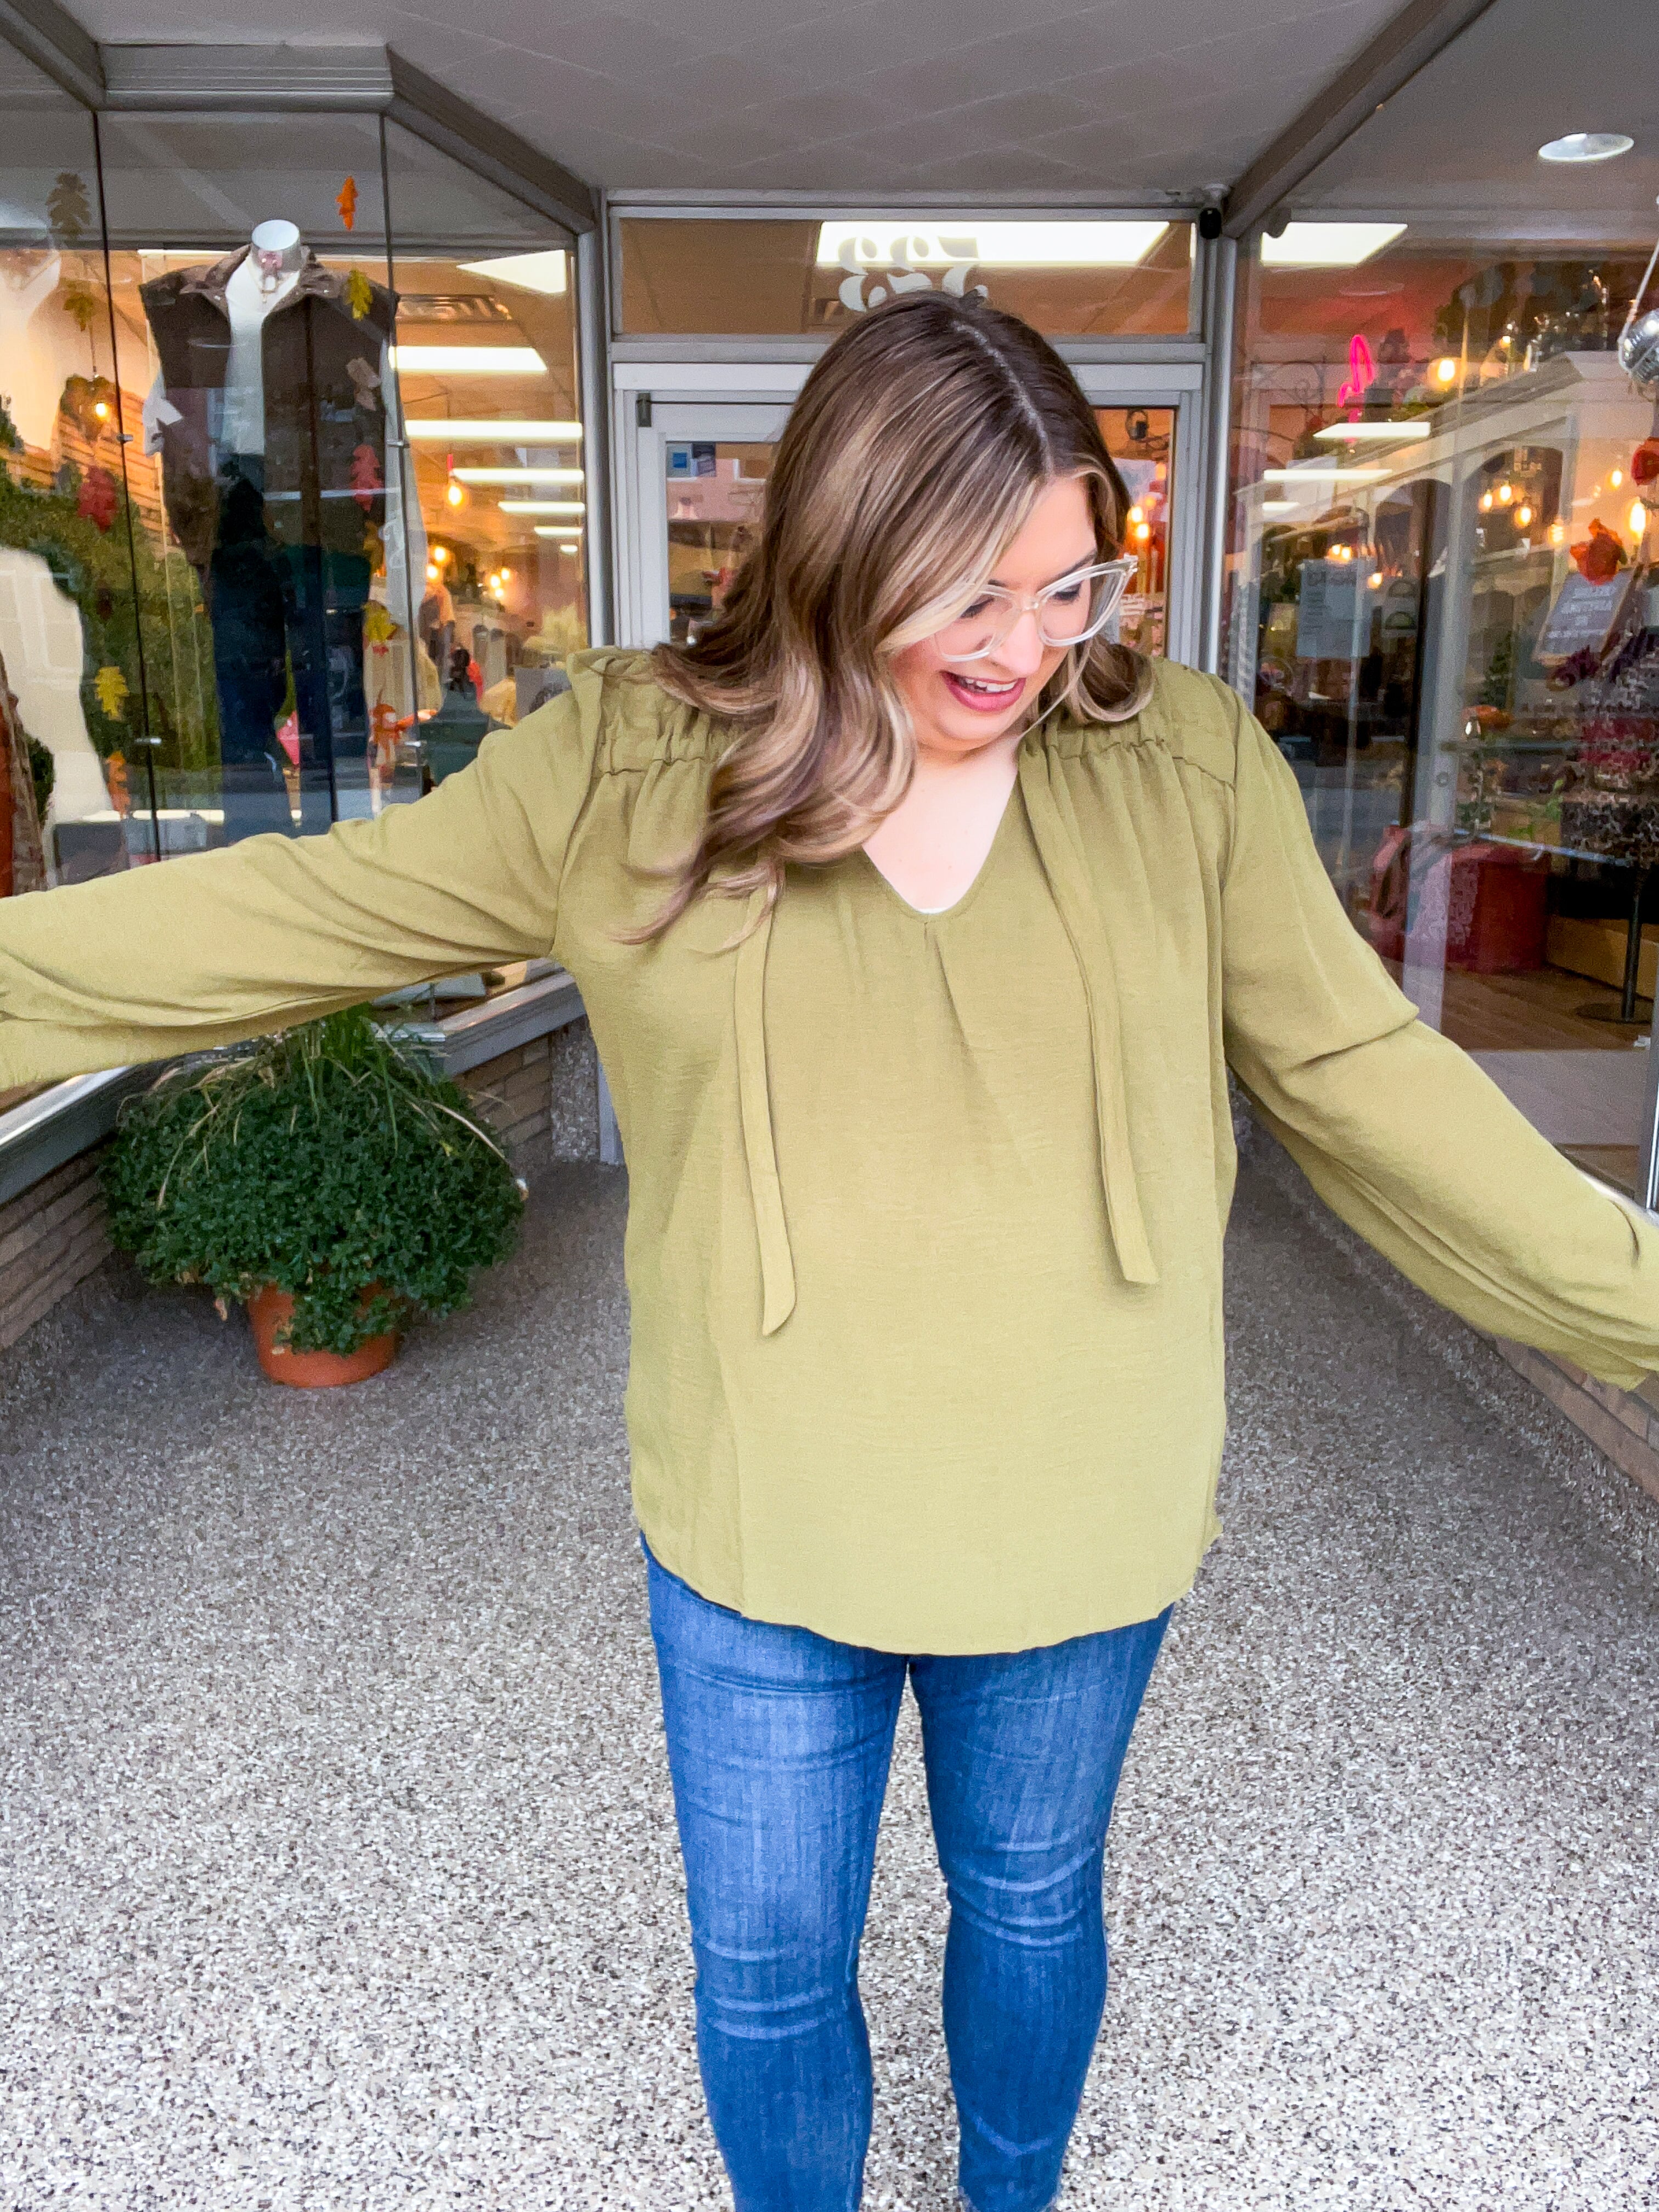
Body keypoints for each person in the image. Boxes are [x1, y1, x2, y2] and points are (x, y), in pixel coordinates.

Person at [2, 291, 1656, 2212]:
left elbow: (1368, 1079)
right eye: (969, 595)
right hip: (761, 1508)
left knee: (1031, 1904)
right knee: (774, 1972)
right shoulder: (629, 769)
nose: (1025, 650)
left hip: (1080, 1497)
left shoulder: (1187, 766)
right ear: (837, 549)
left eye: (1071, 588)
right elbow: (295, 911)